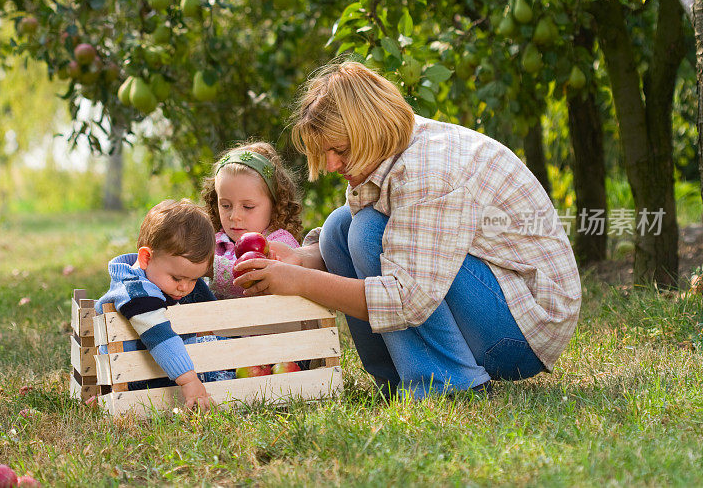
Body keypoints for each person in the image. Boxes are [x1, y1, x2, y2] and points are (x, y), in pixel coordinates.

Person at [234, 61, 582, 400]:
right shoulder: (390, 150)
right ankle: (397, 379)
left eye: (339, 150)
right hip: (494, 301)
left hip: (523, 331)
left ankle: (448, 385)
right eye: (325, 153)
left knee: (368, 232)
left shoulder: (428, 172)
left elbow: (407, 299)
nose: (331, 165)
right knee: (340, 227)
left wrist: (299, 281)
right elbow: (347, 236)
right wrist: (301, 259)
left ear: (368, 130)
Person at [95, 199, 230, 411]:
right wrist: (188, 380)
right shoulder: (137, 292)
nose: (184, 287)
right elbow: (160, 337)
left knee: (214, 331)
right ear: (146, 257)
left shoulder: (160, 276)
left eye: (193, 278)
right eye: (177, 278)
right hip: (136, 376)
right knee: (220, 360)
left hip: (153, 368)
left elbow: (207, 310)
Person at [201, 141, 303, 299]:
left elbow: (255, 279)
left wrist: (206, 266)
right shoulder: (212, 243)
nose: (234, 216)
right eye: (226, 205)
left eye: (248, 207)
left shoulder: (280, 244)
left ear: (275, 205)